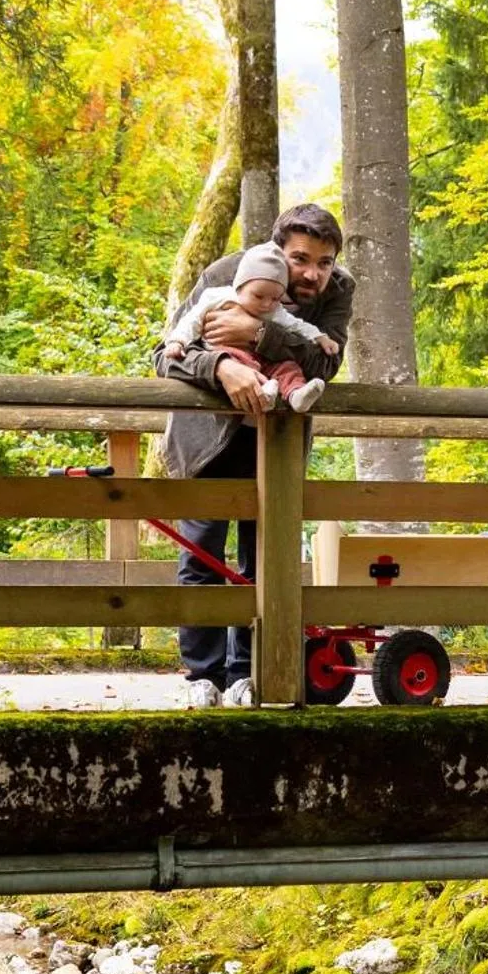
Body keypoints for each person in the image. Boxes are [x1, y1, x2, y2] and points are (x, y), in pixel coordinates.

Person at [155, 204, 354, 708]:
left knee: (263, 560)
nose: (312, 273)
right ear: (276, 251)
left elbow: (325, 364)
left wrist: (259, 333)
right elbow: (166, 355)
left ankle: (247, 672)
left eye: (324, 262)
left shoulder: (336, 292)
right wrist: (222, 365)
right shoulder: (224, 276)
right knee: (201, 556)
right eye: (301, 259)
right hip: (208, 441)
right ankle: (203, 675)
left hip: (276, 444)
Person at [162, 242, 341, 415]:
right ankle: (265, 392)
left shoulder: (274, 310)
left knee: (288, 367)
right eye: (258, 296)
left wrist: (320, 337)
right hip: (228, 354)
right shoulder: (218, 297)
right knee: (241, 365)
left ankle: (296, 394)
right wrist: (178, 341)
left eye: (275, 298)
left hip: (261, 359)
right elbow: (192, 320)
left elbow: (296, 325)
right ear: (240, 286)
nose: (266, 304)